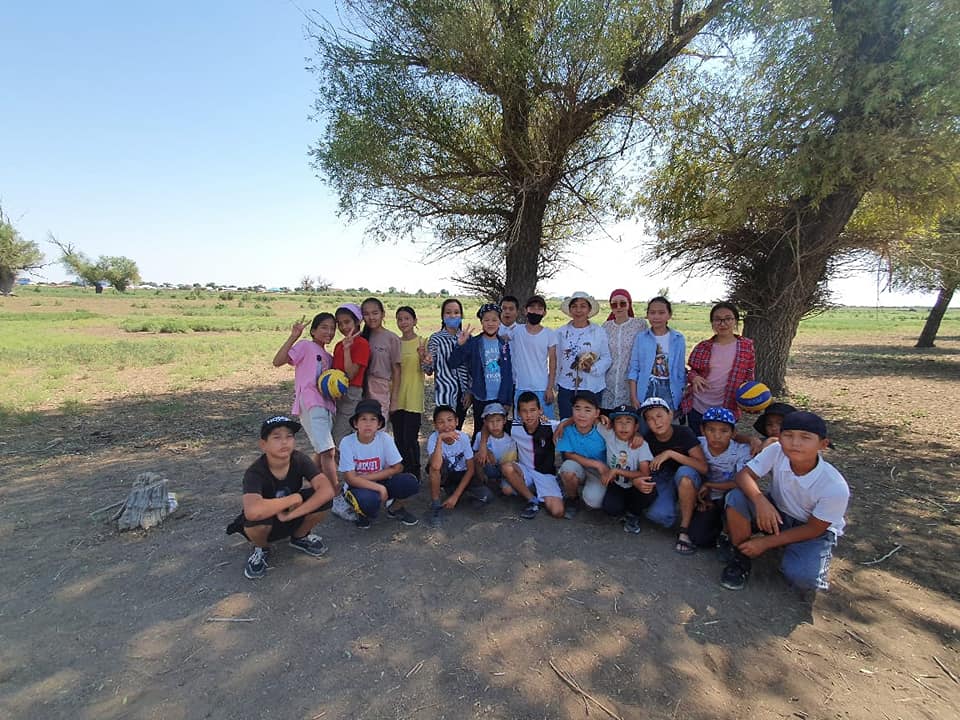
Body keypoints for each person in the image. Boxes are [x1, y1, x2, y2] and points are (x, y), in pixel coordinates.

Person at [720, 411, 849, 593]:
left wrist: (765, 543)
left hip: (810, 528)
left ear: (823, 444)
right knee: (736, 497)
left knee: (803, 579)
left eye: (805, 437)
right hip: (778, 511)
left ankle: (787, 547)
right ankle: (741, 557)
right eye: (788, 435)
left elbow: (814, 529)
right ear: (779, 438)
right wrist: (760, 501)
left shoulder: (835, 486)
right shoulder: (776, 450)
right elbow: (743, 476)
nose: (795, 443)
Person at [226, 416, 334, 580]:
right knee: (256, 519)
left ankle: (299, 537)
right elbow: (253, 511)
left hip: (292, 514)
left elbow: (326, 490)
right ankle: (261, 548)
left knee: (324, 499)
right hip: (267, 520)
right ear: (263, 444)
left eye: (289, 436)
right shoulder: (255, 472)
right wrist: (292, 499)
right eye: (276, 437)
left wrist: (291, 514)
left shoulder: (299, 459)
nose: (284, 442)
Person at [271, 313, 339, 497]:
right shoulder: (305, 346)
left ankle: (294, 486)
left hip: (327, 406)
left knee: (320, 451)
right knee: (328, 451)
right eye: (324, 327)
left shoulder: (329, 357)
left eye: (332, 328)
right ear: (313, 330)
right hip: (311, 403)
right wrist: (294, 336)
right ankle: (336, 495)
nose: (329, 331)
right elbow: (277, 361)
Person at [639, 397, 709, 555]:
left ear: (670, 415)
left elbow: (703, 467)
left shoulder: (684, 433)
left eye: (659, 415)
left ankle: (684, 530)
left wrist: (670, 454)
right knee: (659, 516)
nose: (656, 422)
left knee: (684, 475)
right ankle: (681, 504)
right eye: (650, 419)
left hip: (688, 475)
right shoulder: (648, 438)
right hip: (665, 477)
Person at [338, 399, 420, 529]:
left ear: (379, 424)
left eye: (373, 419)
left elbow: (398, 467)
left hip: (377, 479)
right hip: (358, 486)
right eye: (363, 419)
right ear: (355, 423)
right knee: (368, 501)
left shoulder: (384, 438)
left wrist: (369, 478)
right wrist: (379, 488)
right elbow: (350, 479)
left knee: (410, 482)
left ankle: (395, 508)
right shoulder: (347, 442)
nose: (368, 424)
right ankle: (362, 513)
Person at [682, 302, 755, 435]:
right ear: (712, 323)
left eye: (728, 319)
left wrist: (750, 399)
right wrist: (694, 377)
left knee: (722, 444)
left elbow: (749, 376)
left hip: (727, 407)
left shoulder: (746, 346)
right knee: (698, 443)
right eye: (717, 319)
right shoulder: (703, 346)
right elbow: (691, 371)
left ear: (735, 321)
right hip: (698, 406)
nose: (723, 323)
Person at [689, 406, 752, 550]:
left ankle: (734, 534)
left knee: (735, 498)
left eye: (724, 431)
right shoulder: (697, 444)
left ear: (733, 433)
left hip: (730, 498)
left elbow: (743, 483)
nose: (717, 436)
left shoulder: (742, 451)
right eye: (711, 430)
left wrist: (710, 485)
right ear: (702, 430)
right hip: (706, 498)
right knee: (698, 538)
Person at [449, 302, 514, 434]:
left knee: (500, 433)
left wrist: (507, 400)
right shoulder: (474, 343)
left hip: (500, 398)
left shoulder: (504, 344)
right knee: (480, 432)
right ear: (481, 322)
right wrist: (460, 345)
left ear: (500, 322)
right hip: (481, 397)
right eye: (486, 320)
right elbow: (453, 363)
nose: (490, 323)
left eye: (494, 320)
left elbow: (508, 374)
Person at [500, 391, 565, 519]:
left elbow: (572, 421)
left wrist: (563, 423)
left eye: (532, 410)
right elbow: (489, 424)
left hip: (545, 474)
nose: (529, 415)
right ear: (518, 413)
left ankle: (551, 486)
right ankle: (532, 500)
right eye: (524, 411)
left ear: (540, 411)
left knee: (558, 512)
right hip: (525, 471)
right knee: (506, 474)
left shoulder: (550, 426)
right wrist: (483, 445)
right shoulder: (514, 426)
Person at [426, 405, 494, 527]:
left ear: (457, 421)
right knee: (434, 467)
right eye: (441, 422)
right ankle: (436, 505)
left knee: (487, 497)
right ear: (435, 425)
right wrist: (440, 439)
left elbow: (470, 469)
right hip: (446, 474)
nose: (446, 425)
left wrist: (455, 496)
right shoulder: (433, 438)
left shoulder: (463, 437)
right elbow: (435, 466)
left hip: (462, 474)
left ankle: (458, 494)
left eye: (450, 420)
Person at [594, 405, 656, 534]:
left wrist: (616, 471)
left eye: (628, 421)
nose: (623, 426)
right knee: (610, 509)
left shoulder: (641, 445)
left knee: (647, 489)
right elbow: (589, 419)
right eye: (619, 421)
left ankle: (634, 514)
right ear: (612, 424)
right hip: (617, 484)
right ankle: (625, 507)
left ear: (636, 427)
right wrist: (601, 417)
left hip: (634, 485)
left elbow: (645, 473)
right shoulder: (609, 434)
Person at [627, 297, 687, 425]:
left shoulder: (678, 339)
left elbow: (680, 371)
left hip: (670, 390)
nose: (656, 317)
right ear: (647, 315)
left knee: (667, 427)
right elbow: (634, 368)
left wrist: (681, 395)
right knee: (646, 426)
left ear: (669, 315)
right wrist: (633, 396)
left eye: (661, 312)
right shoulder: (641, 338)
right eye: (652, 313)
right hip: (646, 389)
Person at [499, 294, 558, 419]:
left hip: (542, 387)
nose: (535, 311)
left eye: (539, 308)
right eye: (532, 308)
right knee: (522, 423)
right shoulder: (517, 331)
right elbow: (499, 338)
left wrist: (550, 388)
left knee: (545, 423)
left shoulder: (549, 334)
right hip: (521, 386)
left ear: (544, 313)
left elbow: (553, 363)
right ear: (525, 311)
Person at [556, 291, 612, 419]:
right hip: (566, 386)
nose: (578, 310)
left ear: (589, 309)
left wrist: (592, 368)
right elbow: (557, 360)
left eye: (583, 306)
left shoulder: (599, 332)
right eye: (574, 306)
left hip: (591, 385)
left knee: (588, 422)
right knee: (567, 421)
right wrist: (553, 384)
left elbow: (606, 358)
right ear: (570, 310)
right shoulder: (560, 333)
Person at [556, 390, 608, 518]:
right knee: (567, 469)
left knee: (594, 502)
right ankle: (573, 498)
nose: (581, 414)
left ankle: (586, 487)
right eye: (577, 408)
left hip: (599, 472)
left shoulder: (603, 428)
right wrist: (596, 464)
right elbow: (568, 454)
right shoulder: (566, 427)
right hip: (579, 466)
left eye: (587, 410)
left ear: (597, 413)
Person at [424, 298, 471, 429]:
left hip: (463, 393)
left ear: (461, 315)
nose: (452, 316)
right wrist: (426, 361)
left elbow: (471, 368)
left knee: (458, 429)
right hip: (445, 392)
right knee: (445, 430)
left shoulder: (467, 338)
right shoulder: (436, 339)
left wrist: (469, 392)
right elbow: (428, 370)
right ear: (443, 316)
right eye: (448, 312)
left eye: (456, 312)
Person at [392, 305, 427, 479]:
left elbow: (428, 370)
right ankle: (403, 471)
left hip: (413, 396)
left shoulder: (422, 342)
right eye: (400, 319)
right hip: (396, 396)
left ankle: (414, 472)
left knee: (410, 438)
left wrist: (422, 357)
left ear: (414, 321)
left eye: (407, 318)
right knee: (398, 437)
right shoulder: (395, 343)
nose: (403, 322)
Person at [601, 289, 648, 411]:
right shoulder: (606, 326)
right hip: (608, 382)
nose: (618, 307)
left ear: (629, 304)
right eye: (614, 304)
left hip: (631, 382)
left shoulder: (640, 325)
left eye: (622, 303)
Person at [332, 303, 370, 447]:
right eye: (340, 323)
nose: (343, 327)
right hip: (337, 393)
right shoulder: (339, 345)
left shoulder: (361, 344)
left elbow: (351, 373)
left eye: (347, 322)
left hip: (351, 393)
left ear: (357, 322)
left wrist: (347, 350)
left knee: (339, 436)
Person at [360, 297, 401, 420]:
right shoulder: (361, 338)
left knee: (377, 425)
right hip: (361, 389)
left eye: (375, 313)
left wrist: (394, 400)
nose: (371, 317)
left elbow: (397, 371)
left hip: (381, 389)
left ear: (383, 314)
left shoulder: (392, 338)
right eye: (366, 314)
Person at [472, 402, 519, 493]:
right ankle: (482, 481)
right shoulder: (480, 436)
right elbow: (474, 454)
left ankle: (498, 484)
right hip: (487, 469)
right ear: (485, 422)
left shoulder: (510, 441)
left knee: (508, 490)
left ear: (504, 421)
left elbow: (510, 463)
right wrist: (487, 452)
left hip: (502, 471)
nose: (495, 425)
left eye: (498, 421)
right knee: (477, 456)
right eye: (491, 421)